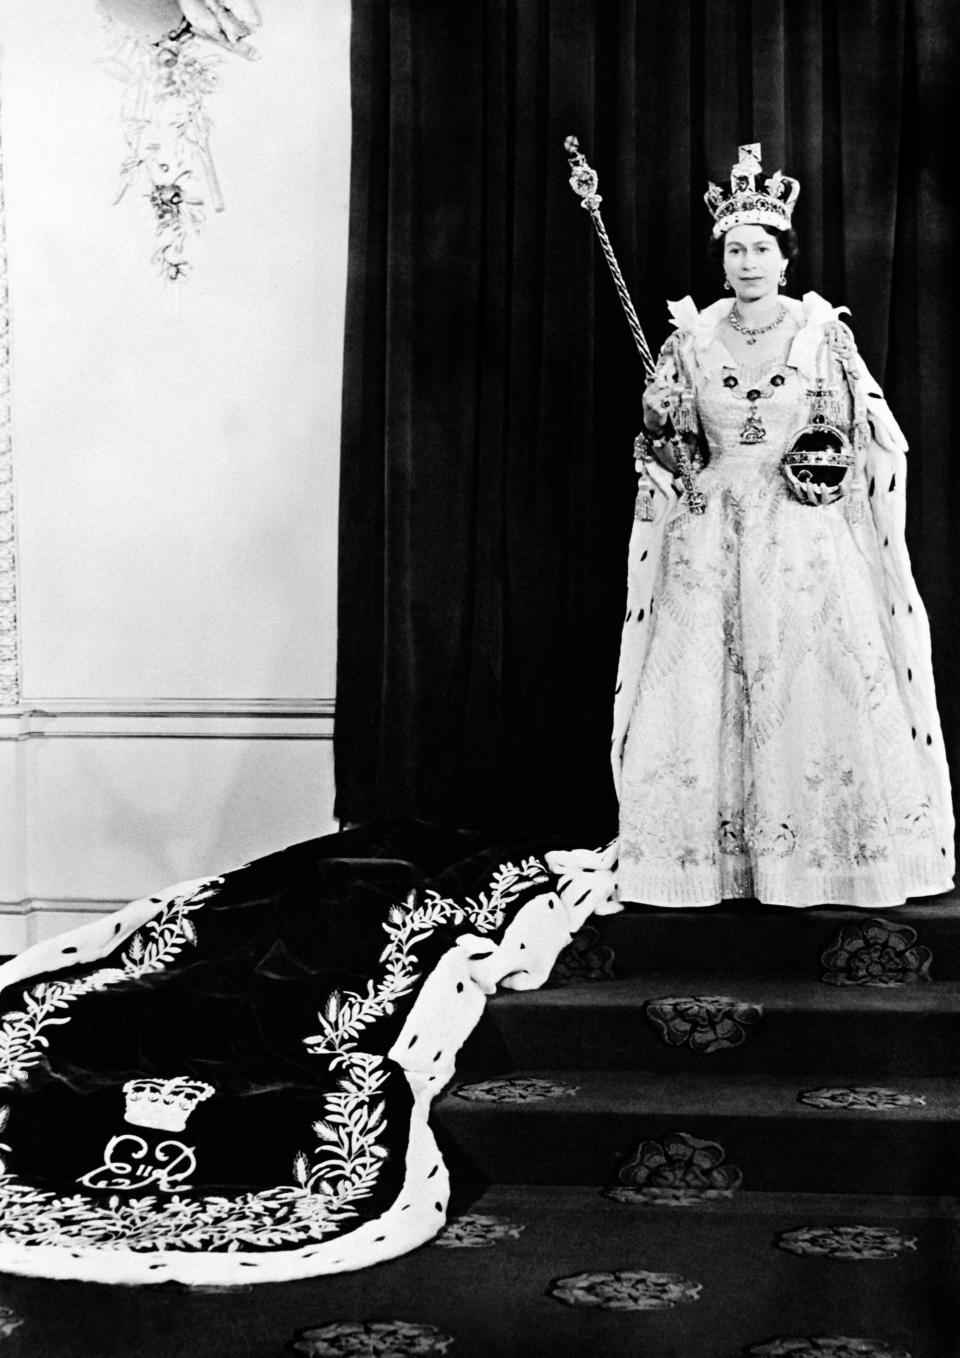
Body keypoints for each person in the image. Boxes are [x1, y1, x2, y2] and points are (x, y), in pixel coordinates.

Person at [613, 143, 954, 909]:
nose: (747, 261)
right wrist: (661, 427)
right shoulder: (688, 338)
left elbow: (853, 428)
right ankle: (709, 861)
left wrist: (823, 469)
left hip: (803, 530)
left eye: (761, 248)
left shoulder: (821, 333)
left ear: (784, 257)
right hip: (709, 532)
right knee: (706, 684)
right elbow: (673, 448)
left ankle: (823, 858)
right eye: (735, 249)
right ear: (721, 258)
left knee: (808, 675)